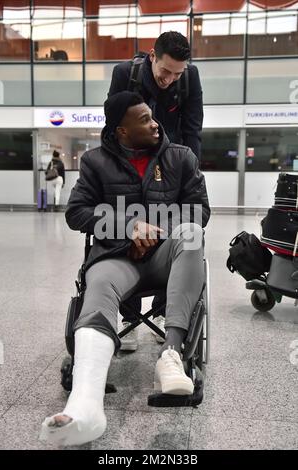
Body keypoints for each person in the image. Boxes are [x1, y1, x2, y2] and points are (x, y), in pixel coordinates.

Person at [40, 91, 210, 446]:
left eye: (152, 116)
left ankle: (172, 355)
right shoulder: (94, 161)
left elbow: (199, 210)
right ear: (121, 131)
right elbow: (77, 213)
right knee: (97, 279)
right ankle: (85, 404)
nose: (154, 123)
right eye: (144, 119)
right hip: (118, 256)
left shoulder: (181, 157)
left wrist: (155, 228)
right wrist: (130, 227)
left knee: (192, 234)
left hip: (168, 256)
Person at [108, 31, 204, 348]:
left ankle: (164, 308)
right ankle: (129, 316)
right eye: (166, 71)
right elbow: (112, 127)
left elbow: (192, 130)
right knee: (127, 226)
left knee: (174, 227)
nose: (170, 79)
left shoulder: (188, 79)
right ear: (153, 56)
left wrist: (189, 172)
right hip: (130, 163)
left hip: (172, 167)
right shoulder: (125, 74)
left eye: (178, 73)